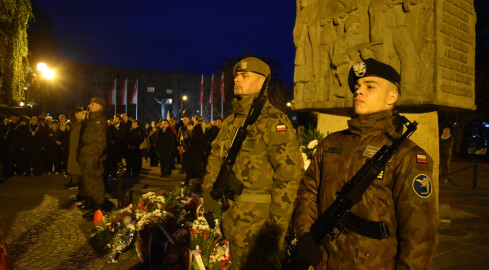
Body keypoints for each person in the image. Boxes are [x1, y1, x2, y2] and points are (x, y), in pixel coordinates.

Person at [293, 58, 438, 269]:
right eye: (357, 86)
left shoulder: (408, 156)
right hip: (324, 261)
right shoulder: (331, 143)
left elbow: (420, 236)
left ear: (392, 97)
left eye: (370, 86)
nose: (359, 91)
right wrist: (306, 233)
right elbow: (308, 190)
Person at [203, 57, 304, 268]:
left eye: (244, 76)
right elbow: (215, 157)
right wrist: (208, 195)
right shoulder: (231, 122)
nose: (237, 80)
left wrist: (274, 230)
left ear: (261, 83)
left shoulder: (273, 121)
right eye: (236, 76)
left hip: (259, 228)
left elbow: (289, 177)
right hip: (232, 221)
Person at [78, 97, 107, 220]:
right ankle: (94, 207)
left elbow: (101, 143)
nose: (89, 106)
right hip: (87, 156)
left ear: (99, 106)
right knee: (90, 184)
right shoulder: (92, 119)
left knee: (96, 184)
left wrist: (95, 158)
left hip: (92, 158)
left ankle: (98, 210)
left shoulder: (98, 120)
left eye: (92, 104)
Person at [68, 107, 88, 203]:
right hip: (76, 152)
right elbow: (71, 116)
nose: (76, 115)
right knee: (79, 176)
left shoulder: (85, 124)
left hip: (81, 154)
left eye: (78, 113)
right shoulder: (78, 124)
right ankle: (81, 194)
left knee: (83, 177)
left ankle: (83, 195)